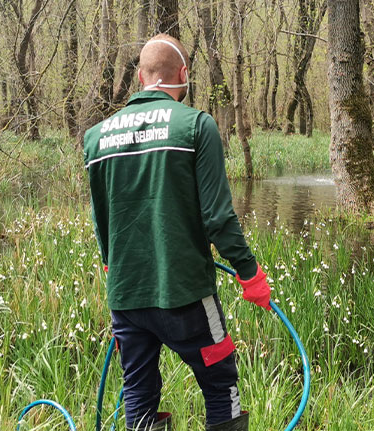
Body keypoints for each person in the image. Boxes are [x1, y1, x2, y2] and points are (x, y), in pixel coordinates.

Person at [83, 34, 270, 431]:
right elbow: (218, 218)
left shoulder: (96, 138)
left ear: (139, 77)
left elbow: (101, 219)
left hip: (126, 296)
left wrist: (109, 263)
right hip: (184, 294)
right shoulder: (196, 126)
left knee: (138, 392)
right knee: (221, 383)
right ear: (183, 74)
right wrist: (249, 273)